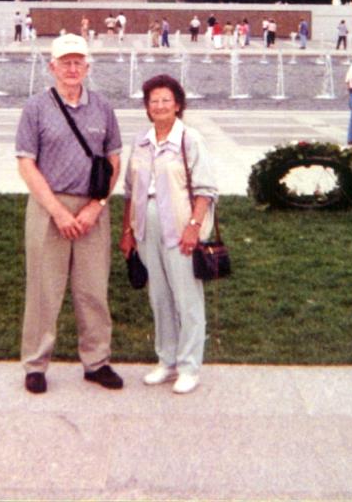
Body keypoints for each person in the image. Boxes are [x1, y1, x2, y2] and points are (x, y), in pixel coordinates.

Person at [15, 33, 124, 395]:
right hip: (49, 208)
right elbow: (26, 164)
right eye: (65, 62)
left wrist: (97, 206)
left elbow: (114, 161)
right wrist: (58, 212)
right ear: (52, 67)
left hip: (92, 209)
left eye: (78, 62)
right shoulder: (36, 107)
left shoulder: (103, 107)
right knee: (44, 290)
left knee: (92, 289)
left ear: (88, 67)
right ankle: (35, 364)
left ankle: (97, 361)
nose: (72, 68)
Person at [119, 74, 217, 395]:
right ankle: (167, 360)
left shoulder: (190, 140)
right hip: (146, 226)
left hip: (180, 226)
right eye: (154, 100)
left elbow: (205, 190)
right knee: (159, 297)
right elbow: (130, 190)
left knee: (187, 299)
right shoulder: (141, 141)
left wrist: (193, 227)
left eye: (166, 100)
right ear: (147, 107)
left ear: (177, 105)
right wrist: (127, 231)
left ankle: (189, 367)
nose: (160, 106)